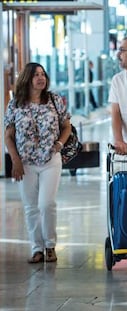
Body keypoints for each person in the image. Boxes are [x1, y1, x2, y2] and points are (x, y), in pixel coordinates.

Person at [4, 62, 72, 263]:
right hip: (24, 162)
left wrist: (59, 143)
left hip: (50, 159)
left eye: (42, 74)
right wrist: (15, 160)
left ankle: (50, 245)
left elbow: (66, 126)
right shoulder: (15, 103)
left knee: (46, 203)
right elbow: (8, 136)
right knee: (30, 206)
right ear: (27, 79)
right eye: (36, 75)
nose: (41, 78)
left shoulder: (54, 100)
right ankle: (37, 248)